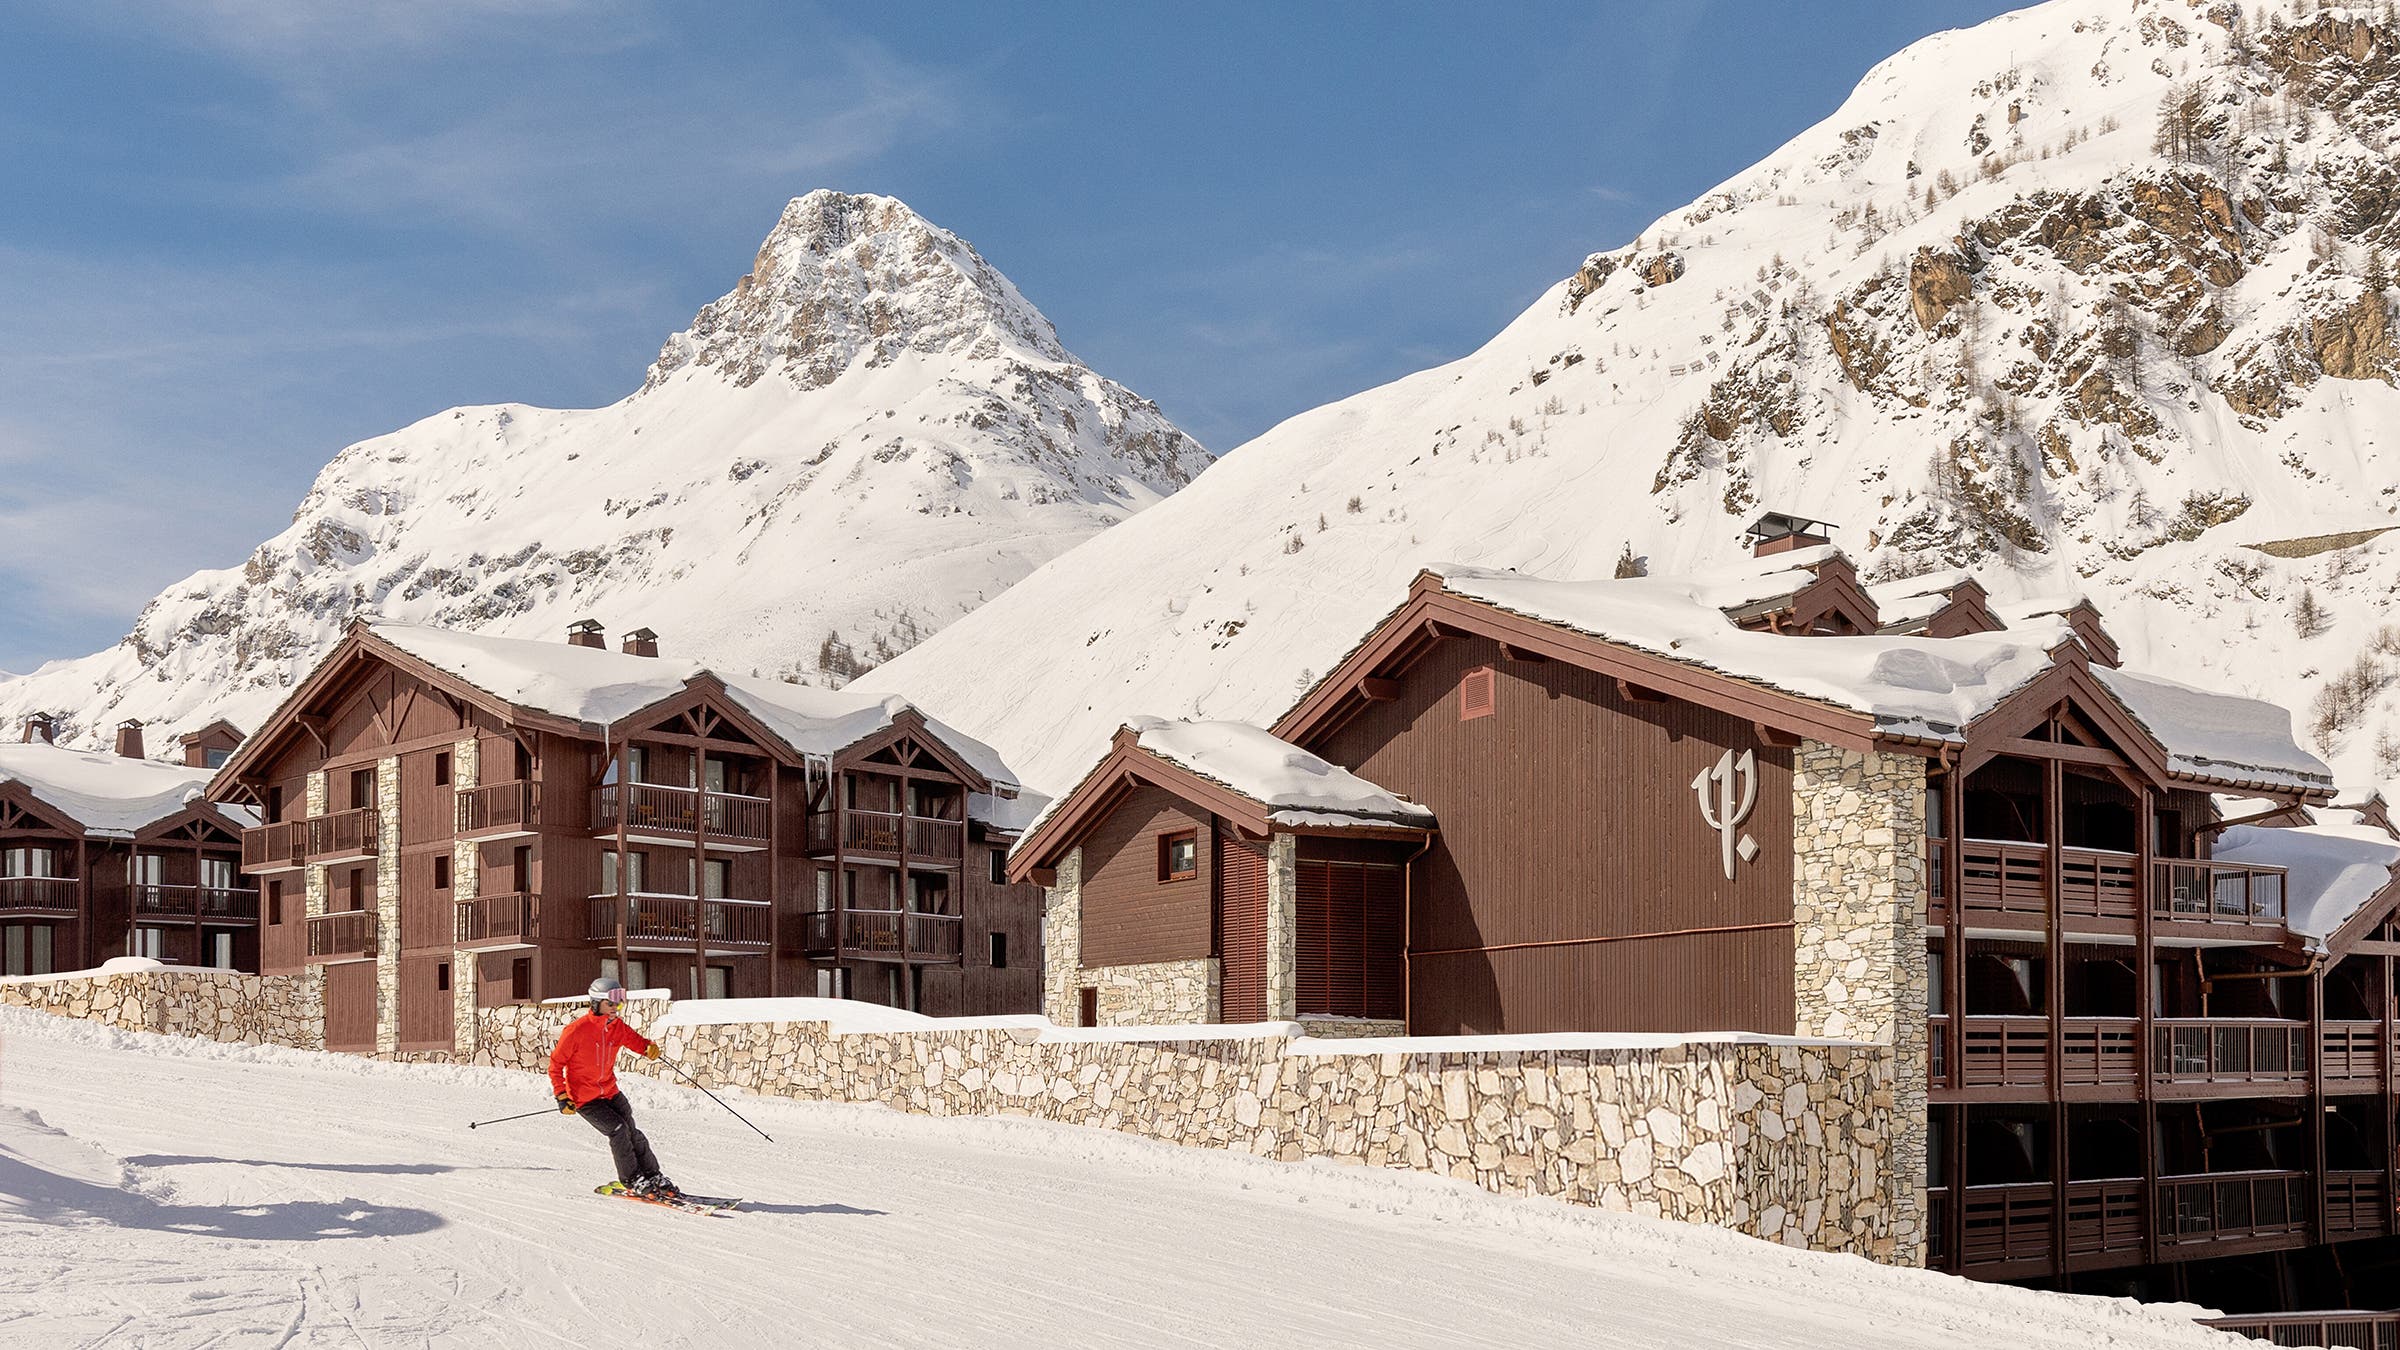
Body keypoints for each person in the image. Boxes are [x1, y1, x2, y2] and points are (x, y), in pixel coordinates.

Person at [549, 976, 678, 1198]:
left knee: (632, 1132)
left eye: (618, 1004)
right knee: (618, 1130)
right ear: (596, 1003)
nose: (615, 1008)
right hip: (585, 1099)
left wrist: (648, 1048)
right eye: (610, 1003)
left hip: (610, 1092)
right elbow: (555, 1065)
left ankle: (652, 1175)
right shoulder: (576, 1030)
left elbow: (636, 1041)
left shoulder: (617, 1027)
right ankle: (632, 1179)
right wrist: (561, 1095)